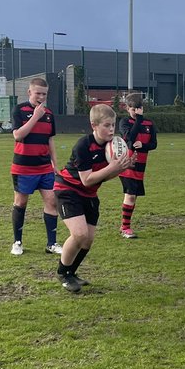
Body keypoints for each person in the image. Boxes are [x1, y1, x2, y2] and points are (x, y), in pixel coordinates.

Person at [53, 104, 133, 292]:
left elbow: (104, 177)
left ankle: (72, 272)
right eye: (107, 125)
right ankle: (62, 273)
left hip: (89, 194)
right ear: (94, 126)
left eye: (113, 125)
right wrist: (112, 167)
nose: (111, 129)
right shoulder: (83, 145)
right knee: (79, 234)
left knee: (88, 240)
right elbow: (87, 179)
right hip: (68, 190)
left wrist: (122, 167)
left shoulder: (110, 147)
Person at [10, 77, 61, 256]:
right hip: (23, 167)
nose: (41, 97)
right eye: (37, 93)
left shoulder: (49, 113)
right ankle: (17, 242)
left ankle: (52, 244)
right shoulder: (19, 110)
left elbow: (50, 140)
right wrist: (35, 117)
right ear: (29, 92)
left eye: (44, 94)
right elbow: (17, 135)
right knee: (21, 202)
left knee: (51, 201)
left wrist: (55, 163)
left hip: (44, 167)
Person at [116, 91, 158, 239]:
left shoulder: (149, 124)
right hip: (127, 165)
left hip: (141, 166)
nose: (135, 112)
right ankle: (125, 228)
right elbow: (129, 139)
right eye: (132, 109)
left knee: (133, 197)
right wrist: (138, 120)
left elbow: (154, 144)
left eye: (138, 109)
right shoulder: (124, 122)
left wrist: (144, 145)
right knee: (131, 195)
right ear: (127, 108)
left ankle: (125, 225)